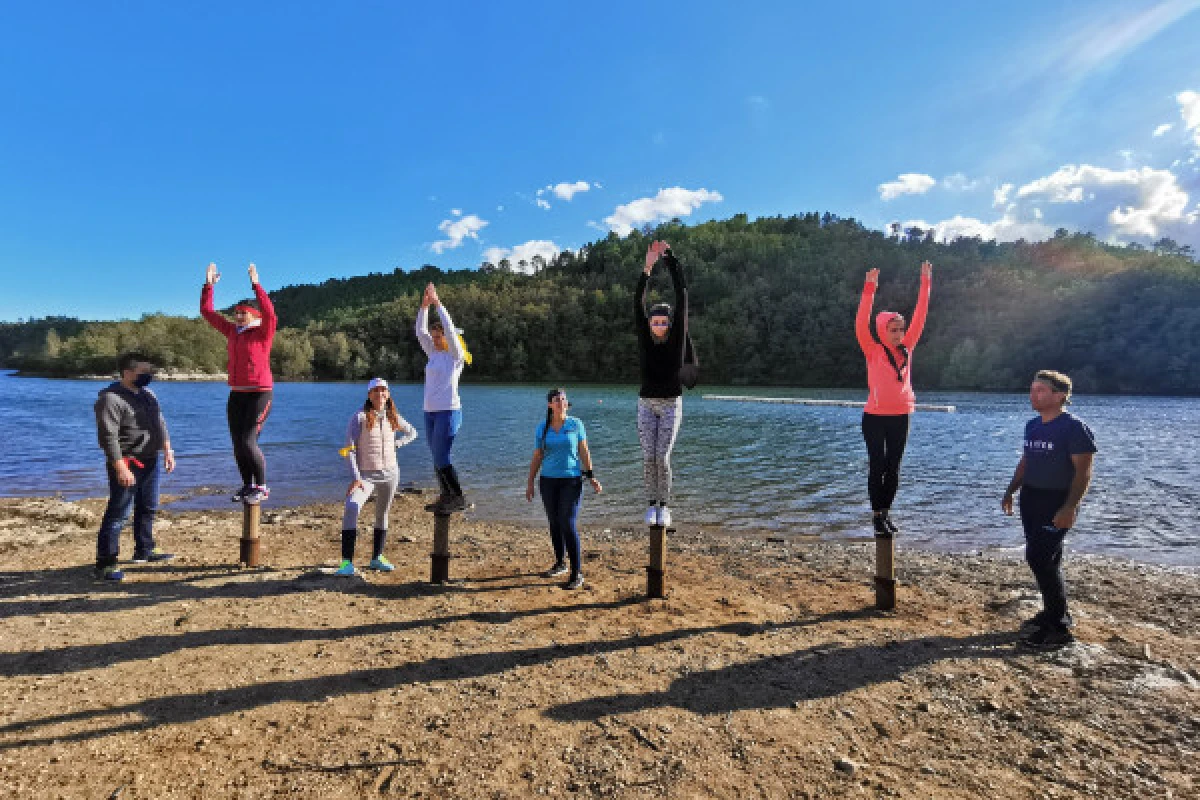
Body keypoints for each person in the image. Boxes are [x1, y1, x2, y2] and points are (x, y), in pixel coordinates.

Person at [1002, 370, 1097, 648]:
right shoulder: (1032, 425)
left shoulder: (1074, 428)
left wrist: (1069, 507)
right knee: (1048, 559)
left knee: (1039, 557)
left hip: (1057, 501)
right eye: (1032, 389)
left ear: (1060, 396)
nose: (1033, 395)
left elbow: (1083, 474)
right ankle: (1054, 613)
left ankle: (1058, 629)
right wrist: (1011, 490)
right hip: (1031, 498)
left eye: (1041, 390)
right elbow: (1026, 462)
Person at [855, 261, 932, 535]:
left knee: (894, 467)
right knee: (877, 465)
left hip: (901, 415)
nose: (899, 334)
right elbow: (861, 320)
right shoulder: (872, 348)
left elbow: (921, 315)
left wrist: (925, 283)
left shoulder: (908, 348)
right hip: (874, 417)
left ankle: (886, 512)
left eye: (901, 330)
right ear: (883, 330)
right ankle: (876, 516)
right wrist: (869, 288)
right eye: (894, 330)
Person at [92, 352, 176, 581]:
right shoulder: (110, 399)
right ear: (127, 373)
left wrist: (167, 449)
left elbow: (160, 422)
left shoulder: (148, 395)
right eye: (143, 372)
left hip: (151, 460)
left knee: (148, 507)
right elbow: (108, 438)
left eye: (150, 372)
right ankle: (106, 562)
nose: (148, 376)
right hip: (127, 461)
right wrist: (120, 468)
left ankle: (145, 549)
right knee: (118, 513)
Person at [200, 262, 278, 504]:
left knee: (248, 440)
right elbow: (207, 313)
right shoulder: (233, 331)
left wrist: (256, 284)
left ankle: (262, 487)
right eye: (235, 313)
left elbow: (270, 313)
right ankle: (247, 485)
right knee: (237, 443)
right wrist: (209, 286)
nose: (237, 316)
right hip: (237, 393)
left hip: (260, 393)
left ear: (254, 315)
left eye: (242, 312)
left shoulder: (263, 332)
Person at [635, 240, 698, 527]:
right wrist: (647, 268)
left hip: (671, 403)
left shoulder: (675, 340)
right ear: (649, 324)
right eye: (654, 322)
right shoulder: (646, 340)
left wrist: (670, 259)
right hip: (647, 404)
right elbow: (638, 302)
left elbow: (682, 295)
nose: (658, 326)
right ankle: (651, 504)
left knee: (663, 457)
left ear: (670, 325)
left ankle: (664, 506)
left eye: (663, 322)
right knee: (649, 457)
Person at [334, 378, 418, 576]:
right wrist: (356, 477)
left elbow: (413, 432)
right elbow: (349, 449)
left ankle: (377, 558)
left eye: (383, 391)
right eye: (376, 391)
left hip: (391, 473)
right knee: (352, 506)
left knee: (382, 514)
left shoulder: (392, 416)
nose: (380, 394)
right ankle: (346, 563)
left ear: (388, 394)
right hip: (366, 476)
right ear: (369, 395)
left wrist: (398, 444)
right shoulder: (360, 417)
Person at [525, 388, 602, 589]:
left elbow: (584, 451)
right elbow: (537, 456)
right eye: (556, 400)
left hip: (571, 480)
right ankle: (560, 563)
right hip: (548, 481)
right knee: (554, 522)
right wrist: (530, 482)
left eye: (563, 399)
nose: (561, 402)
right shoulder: (542, 428)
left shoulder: (576, 424)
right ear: (550, 404)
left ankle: (577, 573)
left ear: (567, 404)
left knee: (567, 522)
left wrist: (592, 476)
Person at [415, 282, 470, 513]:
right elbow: (420, 332)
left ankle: (457, 497)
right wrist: (424, 307)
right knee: (436, 457)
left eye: (439, 336)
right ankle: (445, 496)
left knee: (441, 455)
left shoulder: (454, 357)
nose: (436, 340)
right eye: (435, 336)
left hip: (448, 411)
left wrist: (438, 303)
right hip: (430, 412)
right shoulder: (433, 354)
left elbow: (448, 327)